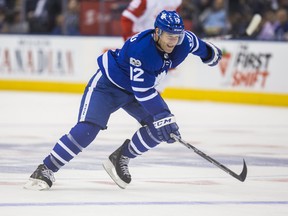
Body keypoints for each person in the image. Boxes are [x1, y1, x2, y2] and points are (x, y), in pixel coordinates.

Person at [24, 10, 222, 190]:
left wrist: (211, 54)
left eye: (177, 37)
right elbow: (143, 91)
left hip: (136, 90)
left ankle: (121, 157)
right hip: (108, 86)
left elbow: (200, 47)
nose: (173, 42)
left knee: (159, 129)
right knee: (87, 130)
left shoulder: (184, 41)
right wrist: (164, 115)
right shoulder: (142, 50)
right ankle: (46, 168)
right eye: (170, 37)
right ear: (157, 33)